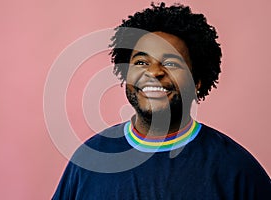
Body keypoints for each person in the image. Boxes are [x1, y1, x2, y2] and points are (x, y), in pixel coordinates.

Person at [52, 2, 271, 199]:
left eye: (172, 63)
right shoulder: (90, 161)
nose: (154, 72)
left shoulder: (234, 168)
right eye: (140, 62)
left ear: (197, 82)